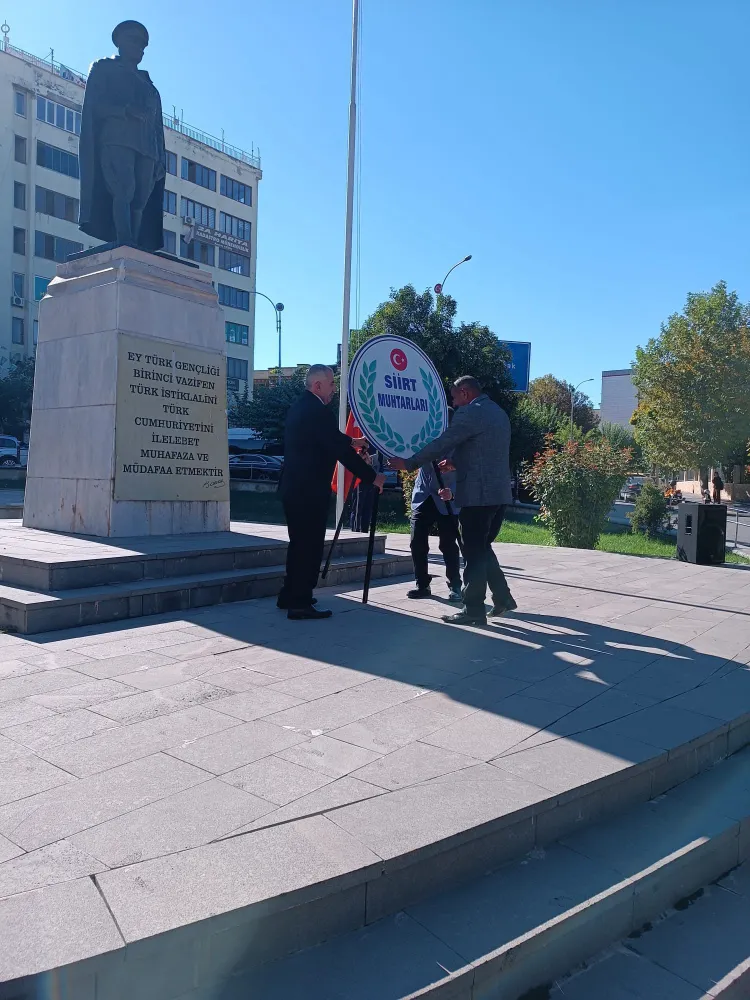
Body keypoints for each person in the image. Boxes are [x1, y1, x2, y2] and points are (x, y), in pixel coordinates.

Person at [390, 376, 515, 626]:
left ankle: (473, 610)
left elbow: (442, 442)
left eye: (455, 398)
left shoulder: (469, 412)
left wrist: (409, 463)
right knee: (481, 547)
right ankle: (503, 598)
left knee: (473, 552)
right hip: (498, 494)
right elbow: (484, 450)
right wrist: (456, 462)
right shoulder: (498, 413)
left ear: (465, 393)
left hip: (477, 496)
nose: (454, 404)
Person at [277, 365, 385, 620]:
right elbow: (340, 452)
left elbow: (327, 438)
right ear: (318, 386)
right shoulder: (317, 411)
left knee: (299, 544)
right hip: (309, 492)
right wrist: (373, 477)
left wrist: (352, 440)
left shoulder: (301, 406)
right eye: (331, 384)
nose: (335, 389)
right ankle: (300, 603)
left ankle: (290, 594)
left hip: (294, 489)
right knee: (309, 547)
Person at [79, 21, 165, 250]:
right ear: (119, 42)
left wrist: (161, 159)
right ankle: (125, 240)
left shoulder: (149, 85)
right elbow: (94, 107)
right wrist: (124, 111)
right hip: (117, 139)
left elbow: (157, 127)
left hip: (148, 148)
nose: (140, 48)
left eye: (143, 45)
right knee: (124, 189)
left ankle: (134, 244)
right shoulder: (104, 69)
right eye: (135, 41)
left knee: (141, 199)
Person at [407, 409, 462, 603]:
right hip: (424, 494)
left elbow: (468, 470)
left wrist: (453, 493)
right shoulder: (423, 436)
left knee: (447, 544)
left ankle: (455, 585)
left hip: (447, 497)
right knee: (417, 541)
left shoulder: (459, 442)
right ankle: (422, 584)